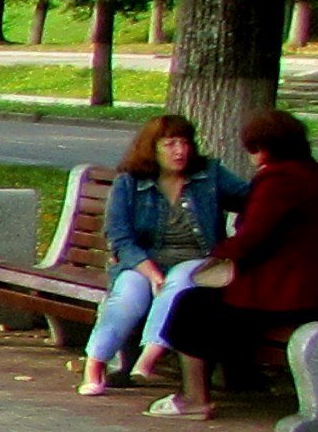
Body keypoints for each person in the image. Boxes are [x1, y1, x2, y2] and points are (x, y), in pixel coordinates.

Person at [147, 110, 318, 417]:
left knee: (192, 306)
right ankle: (237, 379)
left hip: (291, 295)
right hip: (317, 291)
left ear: (265, 149)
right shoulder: (315, 175)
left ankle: (194, 398)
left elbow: (255, 235)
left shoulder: (280, 180)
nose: (252, 156)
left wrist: (216, 257)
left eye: (254, 149)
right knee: (208, 305)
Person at [78, 113, 245, 398]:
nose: (180, 151)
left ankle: (149, 357)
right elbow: (120, 237)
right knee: (127, 296)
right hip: (144, 260)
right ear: (152, 147)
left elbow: (253, 197)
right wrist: (152, 273)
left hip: (197, 259)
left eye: (185, 143)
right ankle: (95, 366)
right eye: (170, 144)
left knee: (178, 282)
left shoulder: (209, 174)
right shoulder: (129, 183)